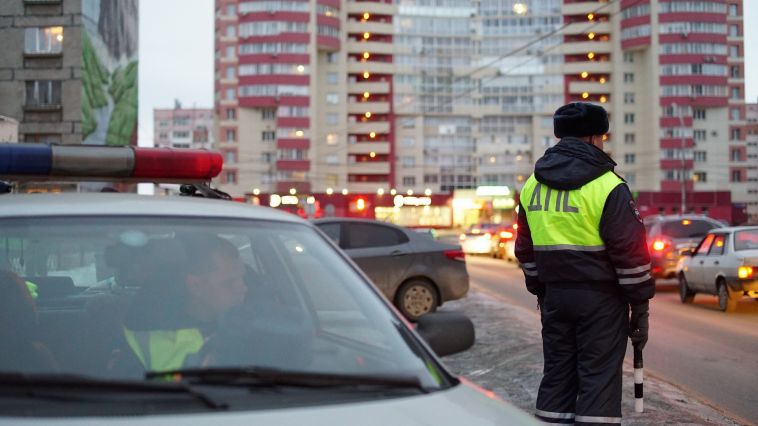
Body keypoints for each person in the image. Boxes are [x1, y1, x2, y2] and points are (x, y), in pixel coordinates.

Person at [515, 102, 654, 425]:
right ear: (594, 138)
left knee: (557, 376)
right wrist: (640, 306)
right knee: (598, 381)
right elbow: (631, 253)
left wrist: (541, 290)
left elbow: (525, 249)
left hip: (555, 298)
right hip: (601, 301)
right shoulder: (609, 186)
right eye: (603, 136)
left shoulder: (532, 186)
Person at [115, 235, 247, 374]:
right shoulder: (143, 344)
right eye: (229, 282)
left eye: (242, 278)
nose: (244, 288)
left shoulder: (260, 328)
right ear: (196, 285)